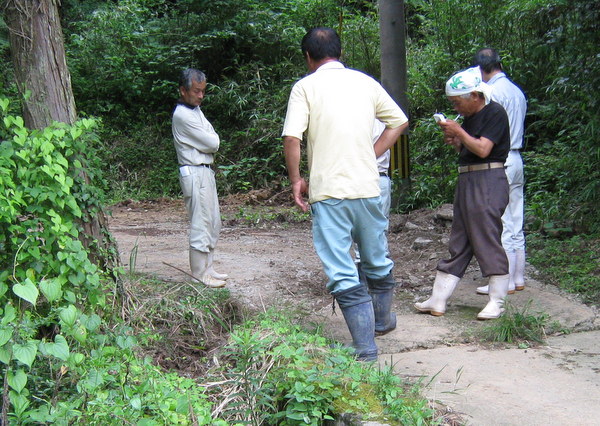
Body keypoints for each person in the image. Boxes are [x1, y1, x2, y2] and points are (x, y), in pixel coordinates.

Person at [282, 27, 408, 361]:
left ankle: (365, 348)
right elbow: (399, 122)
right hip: (367, 186)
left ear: (308, 56)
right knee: (376, 257)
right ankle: (382, 321)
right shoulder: (366, 83)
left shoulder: (305, 87)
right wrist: (370, 152)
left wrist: (296, 180)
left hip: (329, 192)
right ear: (340, 52)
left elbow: (292, 138)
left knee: (341, 268)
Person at [414, 68, 510, 320]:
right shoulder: (469, 118)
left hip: (488, 179)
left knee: (487, 236)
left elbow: (483, 149)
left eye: (457, 102)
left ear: (475, 95)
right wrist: (457, 140)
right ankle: (438, 299)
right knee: (459, 239)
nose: (455, 107)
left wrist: (459, 132)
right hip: (468, 178)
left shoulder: (495, 112)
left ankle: (497, 301)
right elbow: (469, 149)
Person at [473, 48, 527, 296]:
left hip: (500, 160)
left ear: (481, 69)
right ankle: (518, 277)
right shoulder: (516, 91)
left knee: (500, 222)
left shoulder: (491, 92)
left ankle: (503, 280)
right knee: (516, 220)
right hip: (517, 157)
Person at [172, 68, 228, 288]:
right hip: (194, 172)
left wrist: (209, 140)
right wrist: (209, 140)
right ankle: (199, 273)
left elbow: (212, 139)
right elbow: (213, 142)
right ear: (183, 90)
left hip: (205, 170)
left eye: (203, 91)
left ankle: (208, 268)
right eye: (196, 91)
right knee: (201, 222)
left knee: (213, 222)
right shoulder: (182, 115)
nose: (201, 95)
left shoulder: (195, 110)